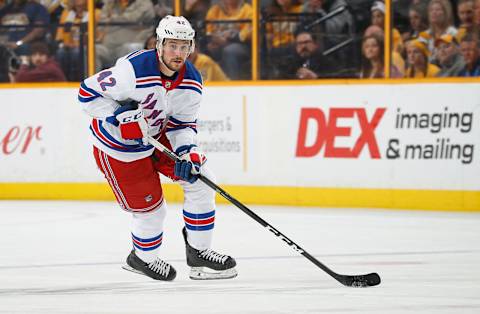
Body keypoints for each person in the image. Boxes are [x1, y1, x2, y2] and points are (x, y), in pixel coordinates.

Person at [78, 15, 237, 281]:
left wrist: (187, 152)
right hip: (117, 147)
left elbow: (182, 124)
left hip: (156, 137)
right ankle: (142, 258)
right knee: (152, 211)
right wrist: (116, 114)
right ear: (159, 44)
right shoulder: (131, 70)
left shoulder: (192, 81)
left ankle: (199, 253)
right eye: (173, 45)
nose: (179, 53)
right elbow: (85, 94)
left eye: (185, 46)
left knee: (202, 179)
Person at [205, 0, 253, 80]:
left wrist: (231, 39)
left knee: (230, 50)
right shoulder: (214, 10)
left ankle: (232, 83)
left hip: (243, 45)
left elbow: (249, 32)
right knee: (205, 50)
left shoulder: (248, 10)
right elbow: (208, 31)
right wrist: (212, 40)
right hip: (218, 44)